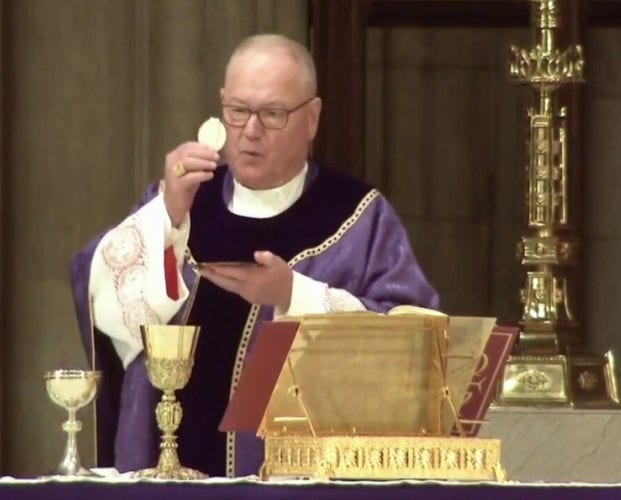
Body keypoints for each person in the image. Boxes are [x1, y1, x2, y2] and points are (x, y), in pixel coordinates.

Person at [69, 33, 439, 478]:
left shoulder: (359, 217)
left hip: (296, 482)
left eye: (273, 113)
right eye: (238, 111)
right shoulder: (183, 204)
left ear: (312, 118)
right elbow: (99, 297)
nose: (250, 131)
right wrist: (164, 216)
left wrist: (293, 295)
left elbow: (416, 346)